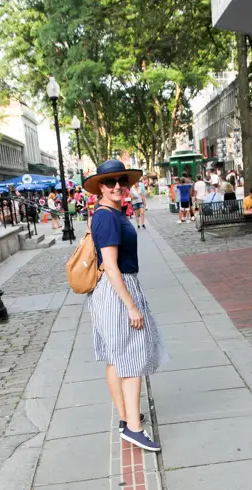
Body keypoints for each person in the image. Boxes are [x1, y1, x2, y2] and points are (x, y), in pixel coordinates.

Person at [84, 160, 168, 452]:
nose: (118, 186)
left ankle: (125, 417)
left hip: (110, 291)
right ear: (101, 188)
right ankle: (133, 428)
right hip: (118, 289)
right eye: (110, 182)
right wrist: (132, 306)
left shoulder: (109, 213)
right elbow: (110, 266)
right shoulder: (107, 217)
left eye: (122, 180)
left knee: (115, 355)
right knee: (131, 357)